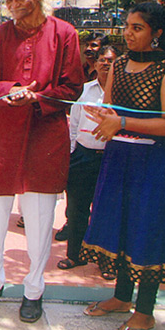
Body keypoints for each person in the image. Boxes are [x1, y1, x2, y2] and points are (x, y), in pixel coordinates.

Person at [0, 0, 84, 322]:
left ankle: (34, 291)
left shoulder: (64, 34)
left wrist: (37, 98)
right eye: (8, 0)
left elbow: (72, 88)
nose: (13, 6)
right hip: (3, 139)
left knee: (39, 221)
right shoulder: (1, 35)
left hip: (44, 138)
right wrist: (9, 90)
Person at [80, 2, 165, 330]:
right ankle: (122, 298)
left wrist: (122, 122)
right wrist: (104, 118)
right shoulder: (119, 64)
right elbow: (111, 109)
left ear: (157, 32)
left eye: (137, 28)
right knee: (121, 224)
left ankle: (145, 312)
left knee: (146, 229)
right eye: (127, 26)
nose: (128, 33)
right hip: (119, 159)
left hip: (154, 163)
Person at [56, 46, 121, 277]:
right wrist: (73, 153)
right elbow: (73, 124)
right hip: (83, 156)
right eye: (102, 60)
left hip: (111, 158)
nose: (106, 64)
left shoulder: (121, 92)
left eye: (111, 60)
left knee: (108, 211)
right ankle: (75, 255)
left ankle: (106, 262)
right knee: (76, 209)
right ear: (95, 63)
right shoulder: (84, 90)